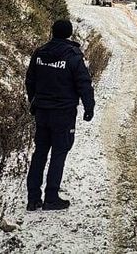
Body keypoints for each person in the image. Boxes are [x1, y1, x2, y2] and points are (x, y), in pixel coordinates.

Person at [25, 18, 95, 212]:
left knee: (39, 153)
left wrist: (34, 101)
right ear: (69, 34)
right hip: (63, 113)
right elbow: (84, 83)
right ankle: (51, 197)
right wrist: (89, 107)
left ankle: (33, 198)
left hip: (42, 112)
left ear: (52, 31)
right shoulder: (73, 56)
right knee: (59, 153)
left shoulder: (39, 53)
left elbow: (30, 80)